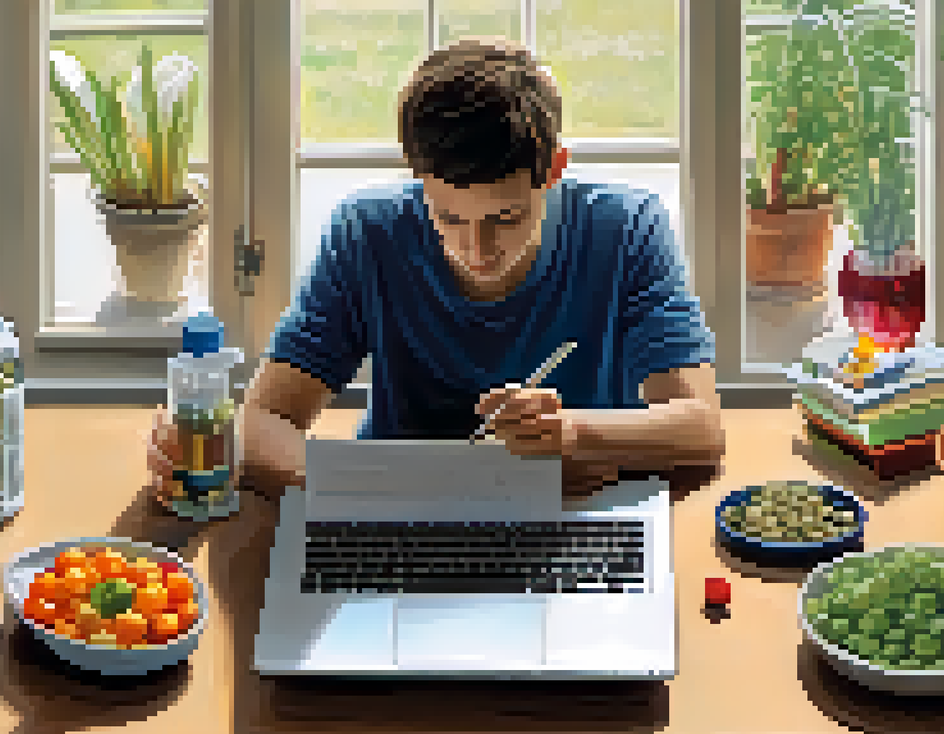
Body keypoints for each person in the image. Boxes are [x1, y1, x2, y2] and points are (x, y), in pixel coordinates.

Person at [150, 36, 724, 507]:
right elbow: (262, 423)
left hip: (573, 513)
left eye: (505, 217)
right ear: (416, 177)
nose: (477, 248)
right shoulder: (366, 233)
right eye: (448, 216)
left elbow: (701, 429)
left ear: (554, 171)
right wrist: (434, 486)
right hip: (395, 515)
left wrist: (578, 434)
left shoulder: (628, 229)